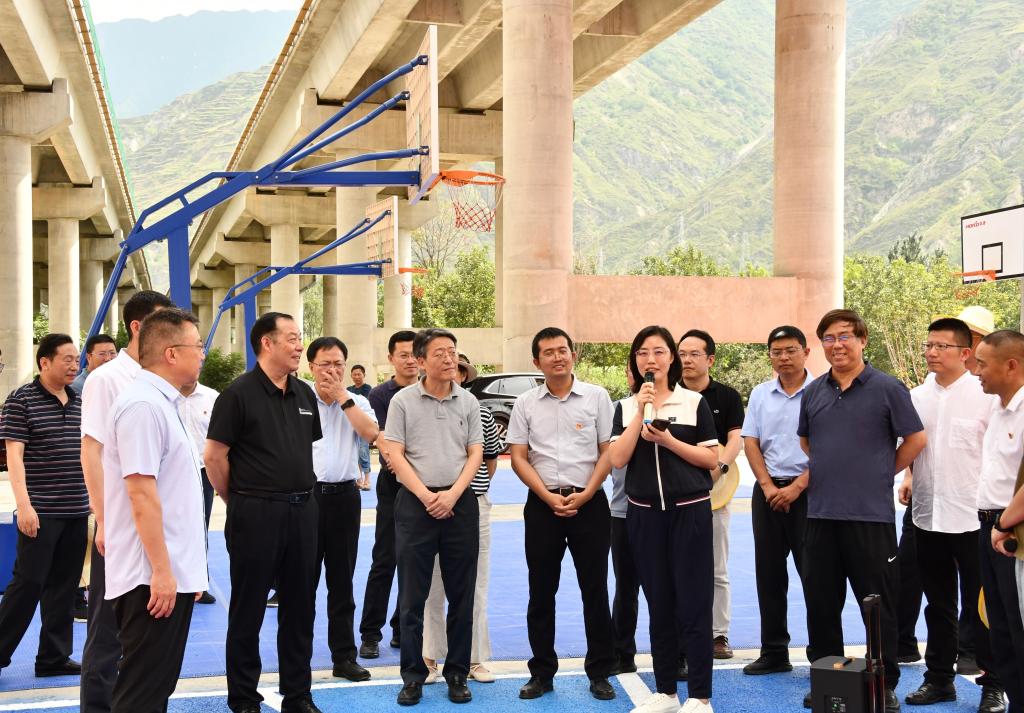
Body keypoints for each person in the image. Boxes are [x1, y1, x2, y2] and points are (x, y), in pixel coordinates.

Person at [798, 309, 927, 713]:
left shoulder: (888, 388)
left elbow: (916, 439)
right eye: (829, 338)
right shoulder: (814, 392)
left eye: (845, 336)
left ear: (862, 340)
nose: (837, 345)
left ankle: (883, 684)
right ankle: (828, 678)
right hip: (821, 516)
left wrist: (881, 471)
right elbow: (807, 443)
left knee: (877, 606)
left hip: (870, 518)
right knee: (821, 605)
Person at [205, 312, 324, 713]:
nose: (299, 345)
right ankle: (243, 698)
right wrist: (238, 499)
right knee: (249, 608)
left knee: (300, 608)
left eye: (299, 337)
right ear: (266, 343)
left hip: (303, 511)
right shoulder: (237, 395)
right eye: (291, 338)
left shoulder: (305, 394)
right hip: (255, 513)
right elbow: (214, 457)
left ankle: (298, 695)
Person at [103, 308, 208, 713]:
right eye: (197, 346)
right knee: (142, 693)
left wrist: (185, 571)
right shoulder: (143, 406)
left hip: (168, 573)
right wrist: (162, 572)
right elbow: (141, 494)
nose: (202, 354)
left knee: (156, 686)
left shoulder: (164, 403)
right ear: (171, 353)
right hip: (150, 577)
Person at [897, 318, 1005, 712]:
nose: (931, 352)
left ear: (964, 353)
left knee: (983, 607)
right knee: (938, 605)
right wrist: (908, 476)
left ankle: (994, 684)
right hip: (928, 516)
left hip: (976, 518)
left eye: (941, 346)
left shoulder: (986, 396)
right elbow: (911, 446)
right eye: (928, 345)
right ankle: (939, 679)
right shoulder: (915, 397)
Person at [610, 325, 719, 713]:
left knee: (694, 603)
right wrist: (640, 412)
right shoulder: (625, 407)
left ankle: (700, 697)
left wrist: (668, 440)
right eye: (642, 353)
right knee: (658, 604)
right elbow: (617, 459)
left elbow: (711, 460)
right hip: (644, 517)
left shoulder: (693, 403)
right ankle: (667, 692)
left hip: (690, 512)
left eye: (658, 352)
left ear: (671, 357)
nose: (650, 359)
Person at [506, 327, 616, 702]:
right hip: (542, 506)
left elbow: (607, 452)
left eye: (563, 350)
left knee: (595, 590)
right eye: (549, 352)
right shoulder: (525, 403)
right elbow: (518, 457)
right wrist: (547, 496)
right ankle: (541, 673)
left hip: (590, 504)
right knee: (541, 592)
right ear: (536, 362)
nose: (558, 357)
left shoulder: (597, 397)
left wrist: (586, 493)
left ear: (573, 355)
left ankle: (600, 672)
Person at [79, 289, 174, 713]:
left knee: (146, 631)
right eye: (163, 322)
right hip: (119, 524)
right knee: (106, 629)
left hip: (154, 524)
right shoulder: (107, 379)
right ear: (138, 327)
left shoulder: (162, 378)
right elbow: (92, 450)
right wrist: (103, 519)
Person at [383, 328, 483, 706]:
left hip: (460, 504)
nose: (449, 359)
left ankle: (457, 673)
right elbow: (395, 453)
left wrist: (453, 494)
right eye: (439, 353)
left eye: (452, 352)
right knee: (412, 598)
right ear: (421, 361)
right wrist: (426, 496)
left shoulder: (468, 401)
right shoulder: (403, 401)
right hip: (416, 504)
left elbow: (475, 452)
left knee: (462, 595)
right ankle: (413, 676)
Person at [0, 334, 87, 679]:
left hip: (76, 509)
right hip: (41, 511)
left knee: (64, 587)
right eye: (67, 359)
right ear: (44, 362)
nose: (74, 365)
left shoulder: (79, 400)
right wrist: (24, 506)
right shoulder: (21, 399)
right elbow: (14, 458)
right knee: (28, 584)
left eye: (76, 359)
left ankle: (53, 657)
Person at [422, 353, 503, 684]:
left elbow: (490, 458)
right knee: (430, 584)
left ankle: (474, 658)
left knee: (475, 584)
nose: (450, 372)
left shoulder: (480, 412)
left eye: (457, 368)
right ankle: (428, 657)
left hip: (473, 506)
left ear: (464, 375)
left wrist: (472, 491)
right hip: (429, 504)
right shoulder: (420, 409)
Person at [306, 338, 378, 683]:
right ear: (311, 367)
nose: (332, 371)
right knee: (301, 582)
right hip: (305, 499)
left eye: (338, 364)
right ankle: (297, 657)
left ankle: (344, 657)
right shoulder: (298, 399)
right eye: (325, 364)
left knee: (341, 581)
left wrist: (342, 398)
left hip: (344, 498)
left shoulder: (357, 401)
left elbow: (371, 434)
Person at [740, 325, 812, 676]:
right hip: (767, 493)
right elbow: (750, 441)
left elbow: (828, 446)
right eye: (776, 352)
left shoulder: (821, 391)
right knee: (769, 575)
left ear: (806, 352)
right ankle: (774, 651)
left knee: (815, 575)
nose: (783, 357)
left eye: (790, 350)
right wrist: (768, 486)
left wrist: (797, 487)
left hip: (810, 493)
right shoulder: (760, 394)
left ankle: (822, 654)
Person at [677, 329, 743, 662]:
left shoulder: (727, 397)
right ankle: (682, 634)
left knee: (716, 567)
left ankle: (718, 634)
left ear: (710, 359)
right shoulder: (670, 394)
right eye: (681, 354)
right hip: (677, 493)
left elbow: (736, 439)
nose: (686, 360)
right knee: (679, 569)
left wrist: (719, 467)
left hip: (716, 491)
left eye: (694, 354)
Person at [972, 330, 1024, 712]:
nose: (976, 372)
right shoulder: (997, 408)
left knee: (1018, 629)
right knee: (1001, 630)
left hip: (1012, 530)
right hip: (990, 525)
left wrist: (1004, 524)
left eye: (982, 364)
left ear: (1011, 365)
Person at [359, 330, 419, 659]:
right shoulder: (381, 395)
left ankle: (402, 628)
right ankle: (370, 633)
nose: (410, 361)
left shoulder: (431, 391)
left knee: (416, 561)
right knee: (385, 559)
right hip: (393, 486)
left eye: (414, 354)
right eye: (403, 355)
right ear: (391, 358)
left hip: (424, 487)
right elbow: (387, 442)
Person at [610, 368, 641, 677]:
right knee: (626, 587)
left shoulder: (683, 404)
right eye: (636, 367)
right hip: (623, 511)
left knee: (669, 587)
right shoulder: (619, 409)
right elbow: (613, 457)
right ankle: (622, 652)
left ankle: (678, 654)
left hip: (664, 514)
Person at [178, 374, 219, 605]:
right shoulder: (166, 396)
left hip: (204, 472)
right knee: (173, 525)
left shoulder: (212, 398)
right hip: (173, 471)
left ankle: (200, 584)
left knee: (200, 526)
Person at [347, 364, 373, 491]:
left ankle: (367, 479)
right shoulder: (348, 389)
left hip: (363, 424)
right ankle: (359, 479)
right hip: (351, 424)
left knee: (363, 451)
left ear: (364, 375)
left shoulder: (368, 389)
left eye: (359, 374)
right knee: (353, 452)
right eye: (354, 374)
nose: (357, 376)